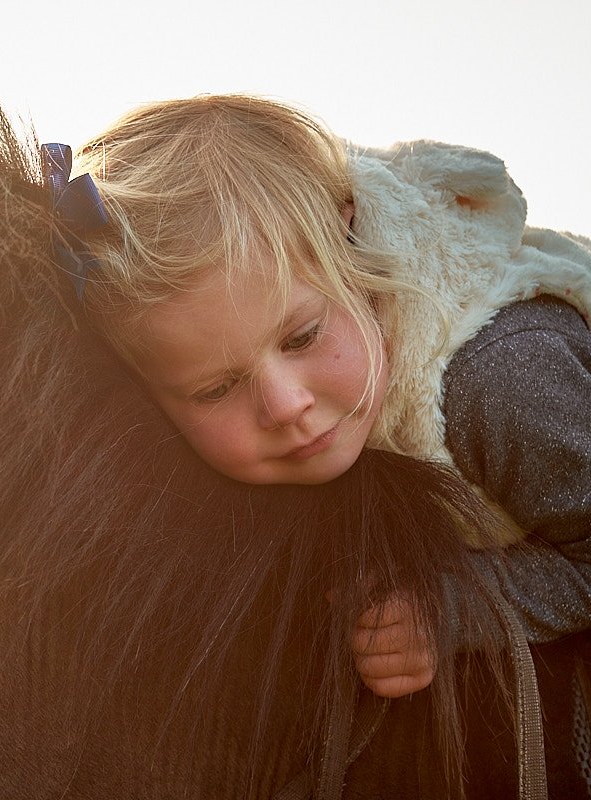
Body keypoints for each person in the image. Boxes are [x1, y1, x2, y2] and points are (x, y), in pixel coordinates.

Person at [43, 95, 591, 701]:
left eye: (302, 336)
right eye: (216, 388)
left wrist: (455, 606)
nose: (284, 405)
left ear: (355, 262)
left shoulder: (502, 376)